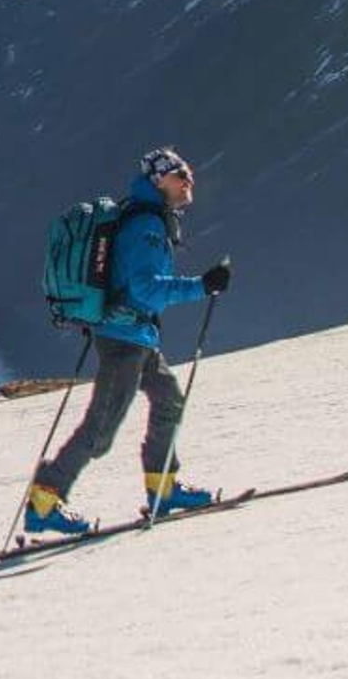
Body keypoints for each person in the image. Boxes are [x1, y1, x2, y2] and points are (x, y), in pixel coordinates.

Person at [26, 147, 231, 530]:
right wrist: (202, 286)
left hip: (133, 335)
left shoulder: (146, 218)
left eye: (187, 172)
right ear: (158, 180)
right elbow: (146, 290)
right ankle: (43, 500)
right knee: (100, 429)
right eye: (179, 174)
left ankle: (164, 487)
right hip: (124, 338)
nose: (189, 180)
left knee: (169, 398)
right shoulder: (147, 227)